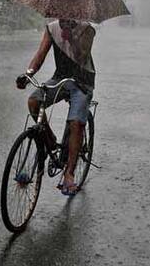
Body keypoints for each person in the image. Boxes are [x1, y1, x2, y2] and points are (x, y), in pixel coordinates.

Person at [16, 18, 96, 196]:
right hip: (60, 78)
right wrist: (28, 74)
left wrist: (71, 38)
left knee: (76, 123)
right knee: (34, 101)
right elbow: (40, 55)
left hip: (82, 81)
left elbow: (82, 57)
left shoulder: (87, 29)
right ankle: (50, 139)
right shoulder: (51, 28)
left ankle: (69, 174)